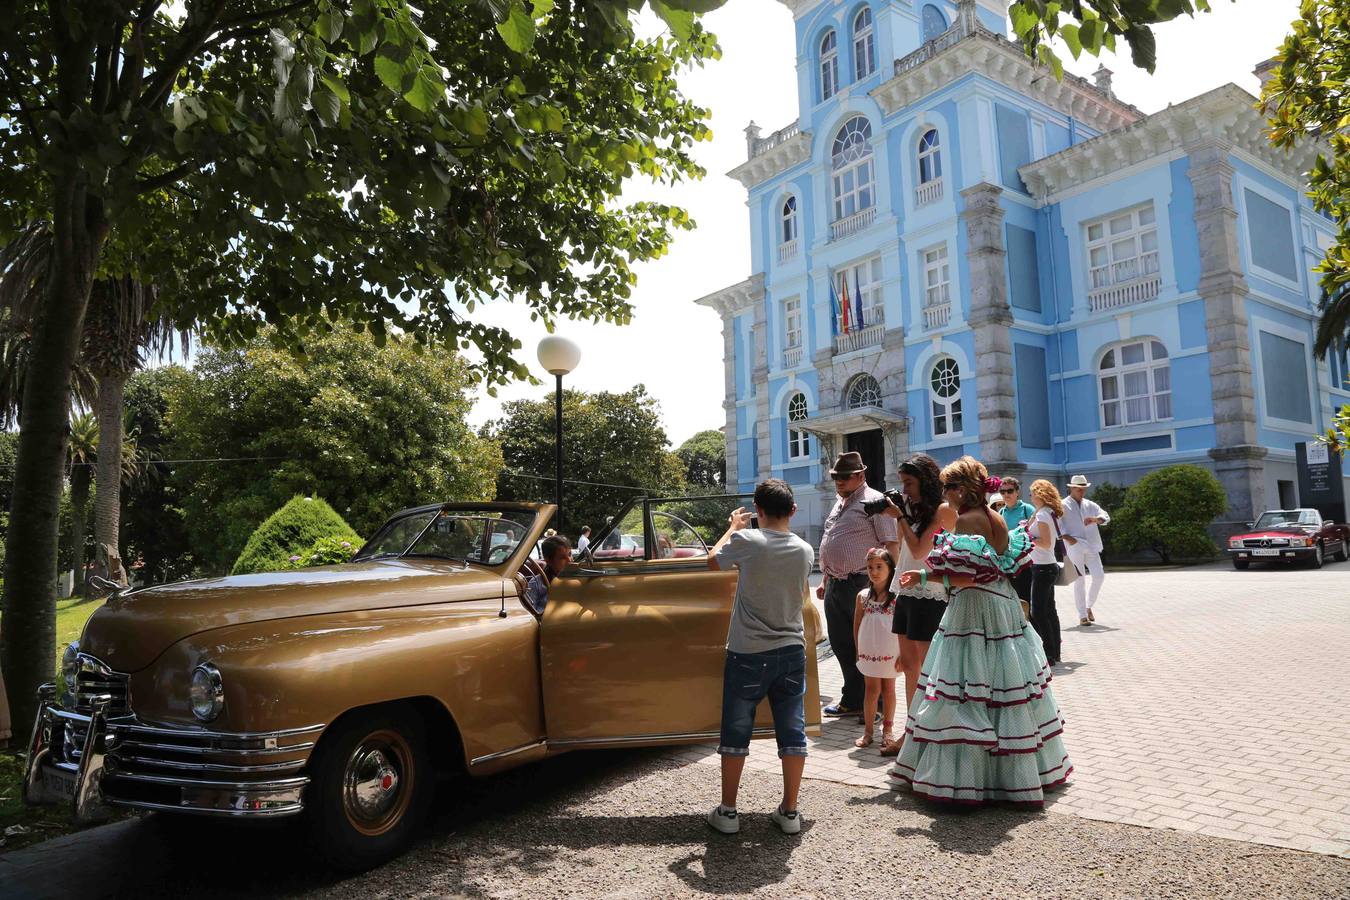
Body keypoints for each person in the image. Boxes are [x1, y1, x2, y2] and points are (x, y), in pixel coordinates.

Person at [888, 456, 1071, 805]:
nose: (945, 494)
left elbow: (968, 576)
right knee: (1001, 685)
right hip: (1001, 605)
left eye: (948, 487)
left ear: (962, 489)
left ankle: (970, 779)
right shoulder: (995, 515)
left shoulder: (969, 521)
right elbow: (998, 568)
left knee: (967, 688)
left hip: (975, 609)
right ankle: (1010, 775)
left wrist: (923, 576)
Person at [706, 479, 815, 836]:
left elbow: (712, 563)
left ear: (758, 509)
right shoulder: (804, 549)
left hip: (748, 651)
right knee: (792, 729)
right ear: (794, 511)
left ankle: (729, 812)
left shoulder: (747, 540)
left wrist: (732, 528)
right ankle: (790, 812)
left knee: (737, 731)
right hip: (791, 649)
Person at [879, 453, 953, 756]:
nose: (905, 490)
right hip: (907, 591)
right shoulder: (912, 510)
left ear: (926, 481)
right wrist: (903, 515)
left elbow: (920, 547)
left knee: (927, 670)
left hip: (930, 592)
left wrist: (900, 517)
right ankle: (911, 732)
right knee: (909, 668)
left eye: (909, 483)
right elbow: (901, 550)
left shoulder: (942, 511)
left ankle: (929, 732)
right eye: (902, 484)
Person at [816, 452, 899, 720]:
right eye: (835, 477)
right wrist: (824, 578)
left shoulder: (875, 501)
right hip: (836, 585)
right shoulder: (839, 503)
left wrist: (886, 587)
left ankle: (877, 706)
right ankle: (853, 699)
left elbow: (891, 545)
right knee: (841, 645)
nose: (838, 481)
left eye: (844, 476)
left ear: (861, 475)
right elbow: (832, 541)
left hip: (863, 583)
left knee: (868, 645)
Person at [852, 547, 899, 751]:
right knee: (871, 690)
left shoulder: (897, 597)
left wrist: (904, 655)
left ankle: (887, 731)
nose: (874, 571)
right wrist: (857, 649)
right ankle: (868, 732)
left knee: (889, 689)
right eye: (870, 567)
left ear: (890, 568)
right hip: (868, 651)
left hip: (891, 651)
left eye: (879, 567)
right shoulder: (862, 596)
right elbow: (857, 625)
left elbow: (902, 629)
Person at [1061, 474, 1111, 626]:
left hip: (1092, 544)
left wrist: (1096, 520)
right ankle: (1082, 615)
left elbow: (1105, 516)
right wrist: (1068, 538)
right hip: (1074, 545)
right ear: (1072, 488)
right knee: (1080, 579)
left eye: (1083, 489)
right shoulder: (1063, 504)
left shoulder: (1090, 504)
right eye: (1078, 489)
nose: (1081, 492)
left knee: (1099, 576)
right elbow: (1057, 523)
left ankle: (1088, 606)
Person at [1027, 479, 1065, 667]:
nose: (1031, 497)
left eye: (1032, 493)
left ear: (1040, 494)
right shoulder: (1048, 513)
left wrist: (1029, 537)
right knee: (1049, 611)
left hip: (1042, 567)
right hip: (1046, 566)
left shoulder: (1043, 515)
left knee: (1038, 612)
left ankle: (1048, 652)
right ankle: (1055, 651)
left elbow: (1046, 542)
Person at [999, 477, 1037, 612]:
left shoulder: (1027, 509)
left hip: (1026, 562)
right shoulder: (1001, 512)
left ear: (1017, 492)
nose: (1006, 495)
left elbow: (1036, 533)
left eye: (1009, 491)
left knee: (1027, 600)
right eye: (1002, 492)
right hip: (1009, 563)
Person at [524, 535, 572, 614]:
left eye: (570, 554)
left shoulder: (578, 578)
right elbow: (530, 614)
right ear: (549, 560)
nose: (569, 560)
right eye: (562, 557)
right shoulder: (536, 583)